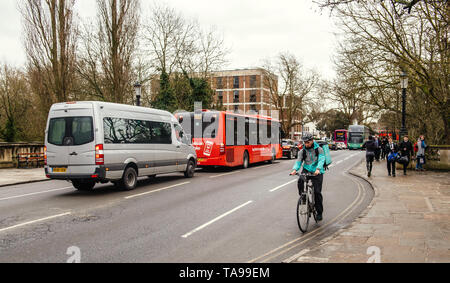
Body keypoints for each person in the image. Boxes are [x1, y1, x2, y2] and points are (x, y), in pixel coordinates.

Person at [290, 132, 325, 221]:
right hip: (306, 169)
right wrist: (295, 170)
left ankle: (319, 212)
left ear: (312, 141)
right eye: (304, 142)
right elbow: (299, 161)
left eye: (308, 142)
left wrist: (318, 169)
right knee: (300, 180)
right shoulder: (302, 151)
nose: (306, 144)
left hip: (317, 171)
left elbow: (321, 159)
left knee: (317, 192)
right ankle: (303, 197)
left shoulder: (319, 149)